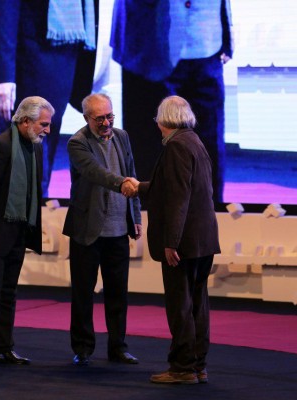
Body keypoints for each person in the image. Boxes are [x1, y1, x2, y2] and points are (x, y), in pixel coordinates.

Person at [123, 96, 221, 384]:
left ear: (163, 120)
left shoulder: (176, 146)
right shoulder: (194, 142)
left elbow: (179, 198)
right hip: (203, 239)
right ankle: (197, 366)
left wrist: (171, 242)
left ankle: (182, 368)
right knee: (197, 305)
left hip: (184, 243)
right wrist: (140, 187)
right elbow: (176, 187)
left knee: (181, 307)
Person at [111, 0, 233, 202]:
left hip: (207, 44)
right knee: (148, 151)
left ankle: (209, 217)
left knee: (207, 150)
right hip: (148, 43)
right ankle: (147, 218)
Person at [0, 0, 98, 196]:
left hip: (61, 57)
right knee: (22, 171)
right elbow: (2, 7)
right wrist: (1, 74)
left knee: (40, 169)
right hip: (26, 58)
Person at [0, 96, 53, 368]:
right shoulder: (0, 146)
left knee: (8, 293)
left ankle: (6, 347)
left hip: (18, 232)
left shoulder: (35, 147)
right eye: (43, 124)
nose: (48, 130)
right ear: (25, 121)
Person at [62, 93, 142, 366]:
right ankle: (83, 349)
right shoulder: (77, 142)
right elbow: (95, 172)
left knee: (118, 293)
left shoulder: (122, 136)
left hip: (118, 230)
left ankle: (118, 347)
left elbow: (132, 172)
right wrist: (122, 183)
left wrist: (136, 215)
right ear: (86, 118)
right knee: (83, 294)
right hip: (87, 230)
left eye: (110, 116)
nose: (106, 123)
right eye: (100, 119)